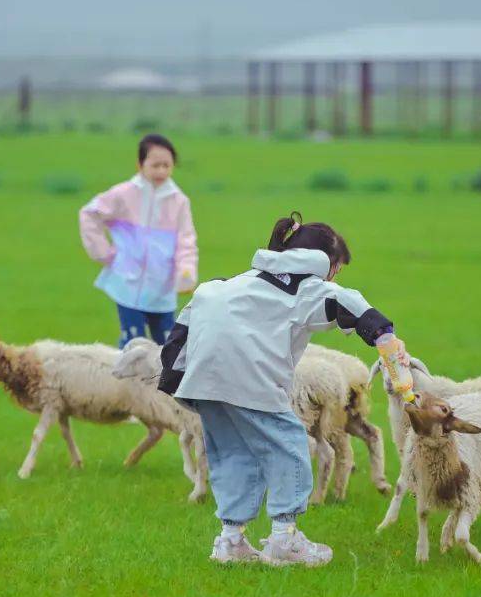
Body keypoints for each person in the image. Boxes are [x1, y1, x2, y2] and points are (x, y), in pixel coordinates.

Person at [158, 213, 411, 567]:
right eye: (337, 269)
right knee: (290, 446)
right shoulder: (305, 287)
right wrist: (387, 340)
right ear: (329, 264)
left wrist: (172, 375)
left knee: (233, 454)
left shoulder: (233, 282)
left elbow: (190, 315)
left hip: (204, 380)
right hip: (250, 378)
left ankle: (230, 541)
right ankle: (284, 539)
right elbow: (349, 303)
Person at [79, 134, 198, 348]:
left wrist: (186, 273)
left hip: (162, 287)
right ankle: (125, 381)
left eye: (167, 165)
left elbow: (186, 241)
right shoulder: (123, 194)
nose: (161, 171)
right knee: (133, 342)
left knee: (168, 345)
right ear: (140, 164)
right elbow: (89, 213)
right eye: (155, 165)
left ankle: (164, 382)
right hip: (127, 285)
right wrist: (102, 252)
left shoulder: (179, 202)